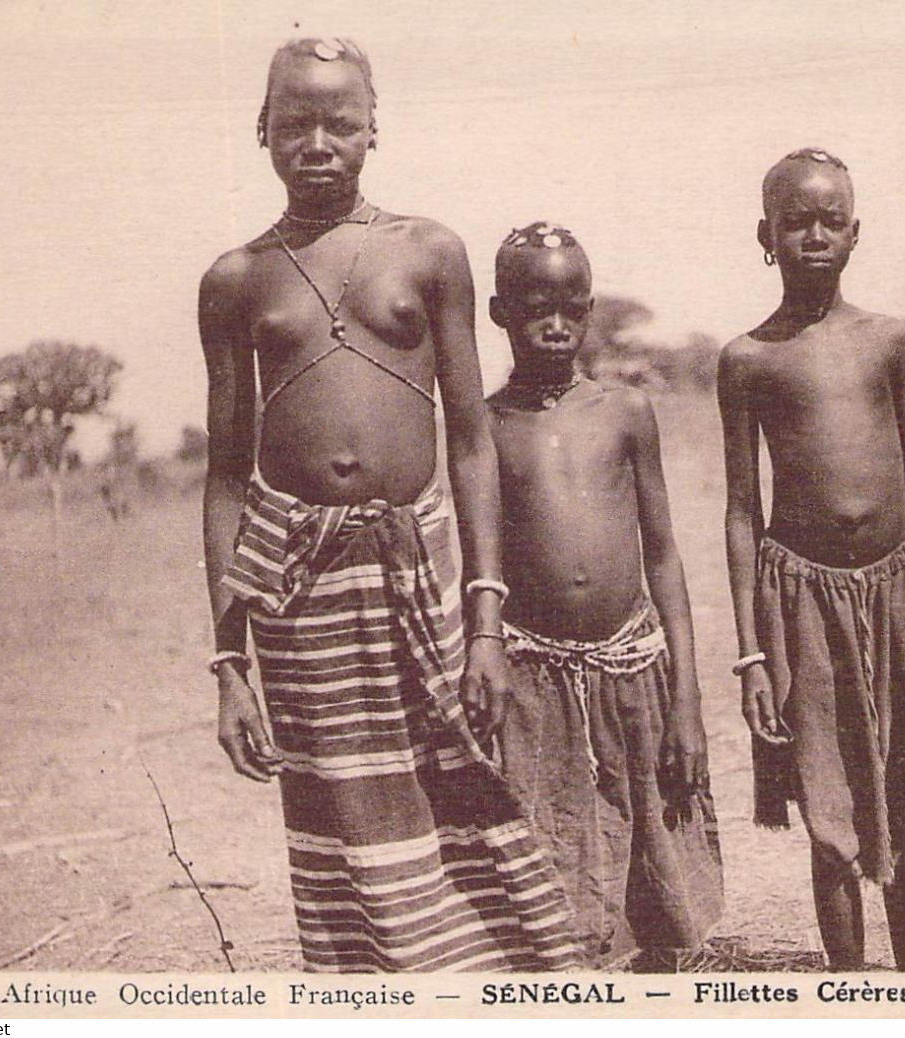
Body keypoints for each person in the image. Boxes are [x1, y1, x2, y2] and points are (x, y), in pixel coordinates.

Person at [198, 38, 582, 972]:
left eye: (339, 121)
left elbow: (468, 441)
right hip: (300, 598)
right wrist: (228, 661)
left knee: (473, 800)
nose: (317, 141)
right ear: (262, 132)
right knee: (347, 828)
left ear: (375, 128)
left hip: (423, 567)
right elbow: (223, 478)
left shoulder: (429, 251)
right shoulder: (235, 279)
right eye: (294, 123)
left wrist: (485, 620)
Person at [717, 148, 905, 971]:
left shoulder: (893, 344)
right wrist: (754, 654)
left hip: (899, 588)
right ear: (766, 234)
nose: (814, 235)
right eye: (796, 222)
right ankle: (850, 993)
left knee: (904, 808)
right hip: (801, 600)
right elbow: (739, 508)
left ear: (856, 232)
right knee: (827, 815)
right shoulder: (749, 358)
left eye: (831, 220)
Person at [484, 222, 724, 969]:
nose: (554, 325)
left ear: (588, 310)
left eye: (571, 307)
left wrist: (686, 702)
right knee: (549, 866)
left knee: (656, 870)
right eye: (533, 308)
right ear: (499, 313)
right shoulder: (484, 427)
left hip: (633, 674)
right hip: (535, 679)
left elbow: (663, 555)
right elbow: (478, 561)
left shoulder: (625, 412)